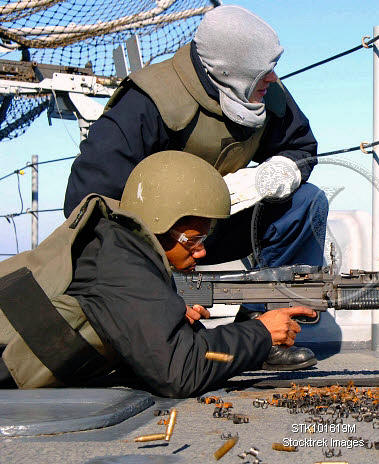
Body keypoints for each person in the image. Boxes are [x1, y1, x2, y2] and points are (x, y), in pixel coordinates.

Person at [62, 5, 328, 369]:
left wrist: (272, 176)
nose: (271, 78)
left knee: (306, 204)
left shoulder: (267, 91)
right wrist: (154, 287)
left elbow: (300, 147)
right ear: (227, 70)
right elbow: (88, 199)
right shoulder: (148, 100)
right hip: (156, 242)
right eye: (261, 71)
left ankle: (263, 327)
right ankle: (165, 325)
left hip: (217, 229)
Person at [0, 151, 317, 397]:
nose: (201, 252)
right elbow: (178, 373)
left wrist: (168, 316)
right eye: (192, 241)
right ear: (159, 225)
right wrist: (261, 332)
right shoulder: (120, 263)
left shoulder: (117, 243)